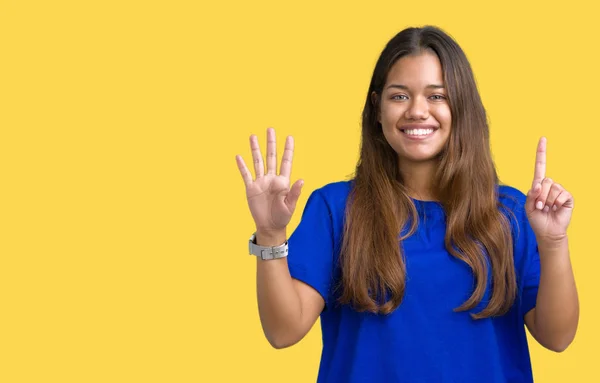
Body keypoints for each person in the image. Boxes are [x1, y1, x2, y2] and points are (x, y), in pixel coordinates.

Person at [235, 26, 579, 382]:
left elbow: (558, 337)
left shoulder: (510, 213)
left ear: (462, 107)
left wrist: (553, 242)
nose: (417, 111)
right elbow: (283, 331)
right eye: (399, 96)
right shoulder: (336, 209)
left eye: (437, 96)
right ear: (377, 108)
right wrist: (271, 234)